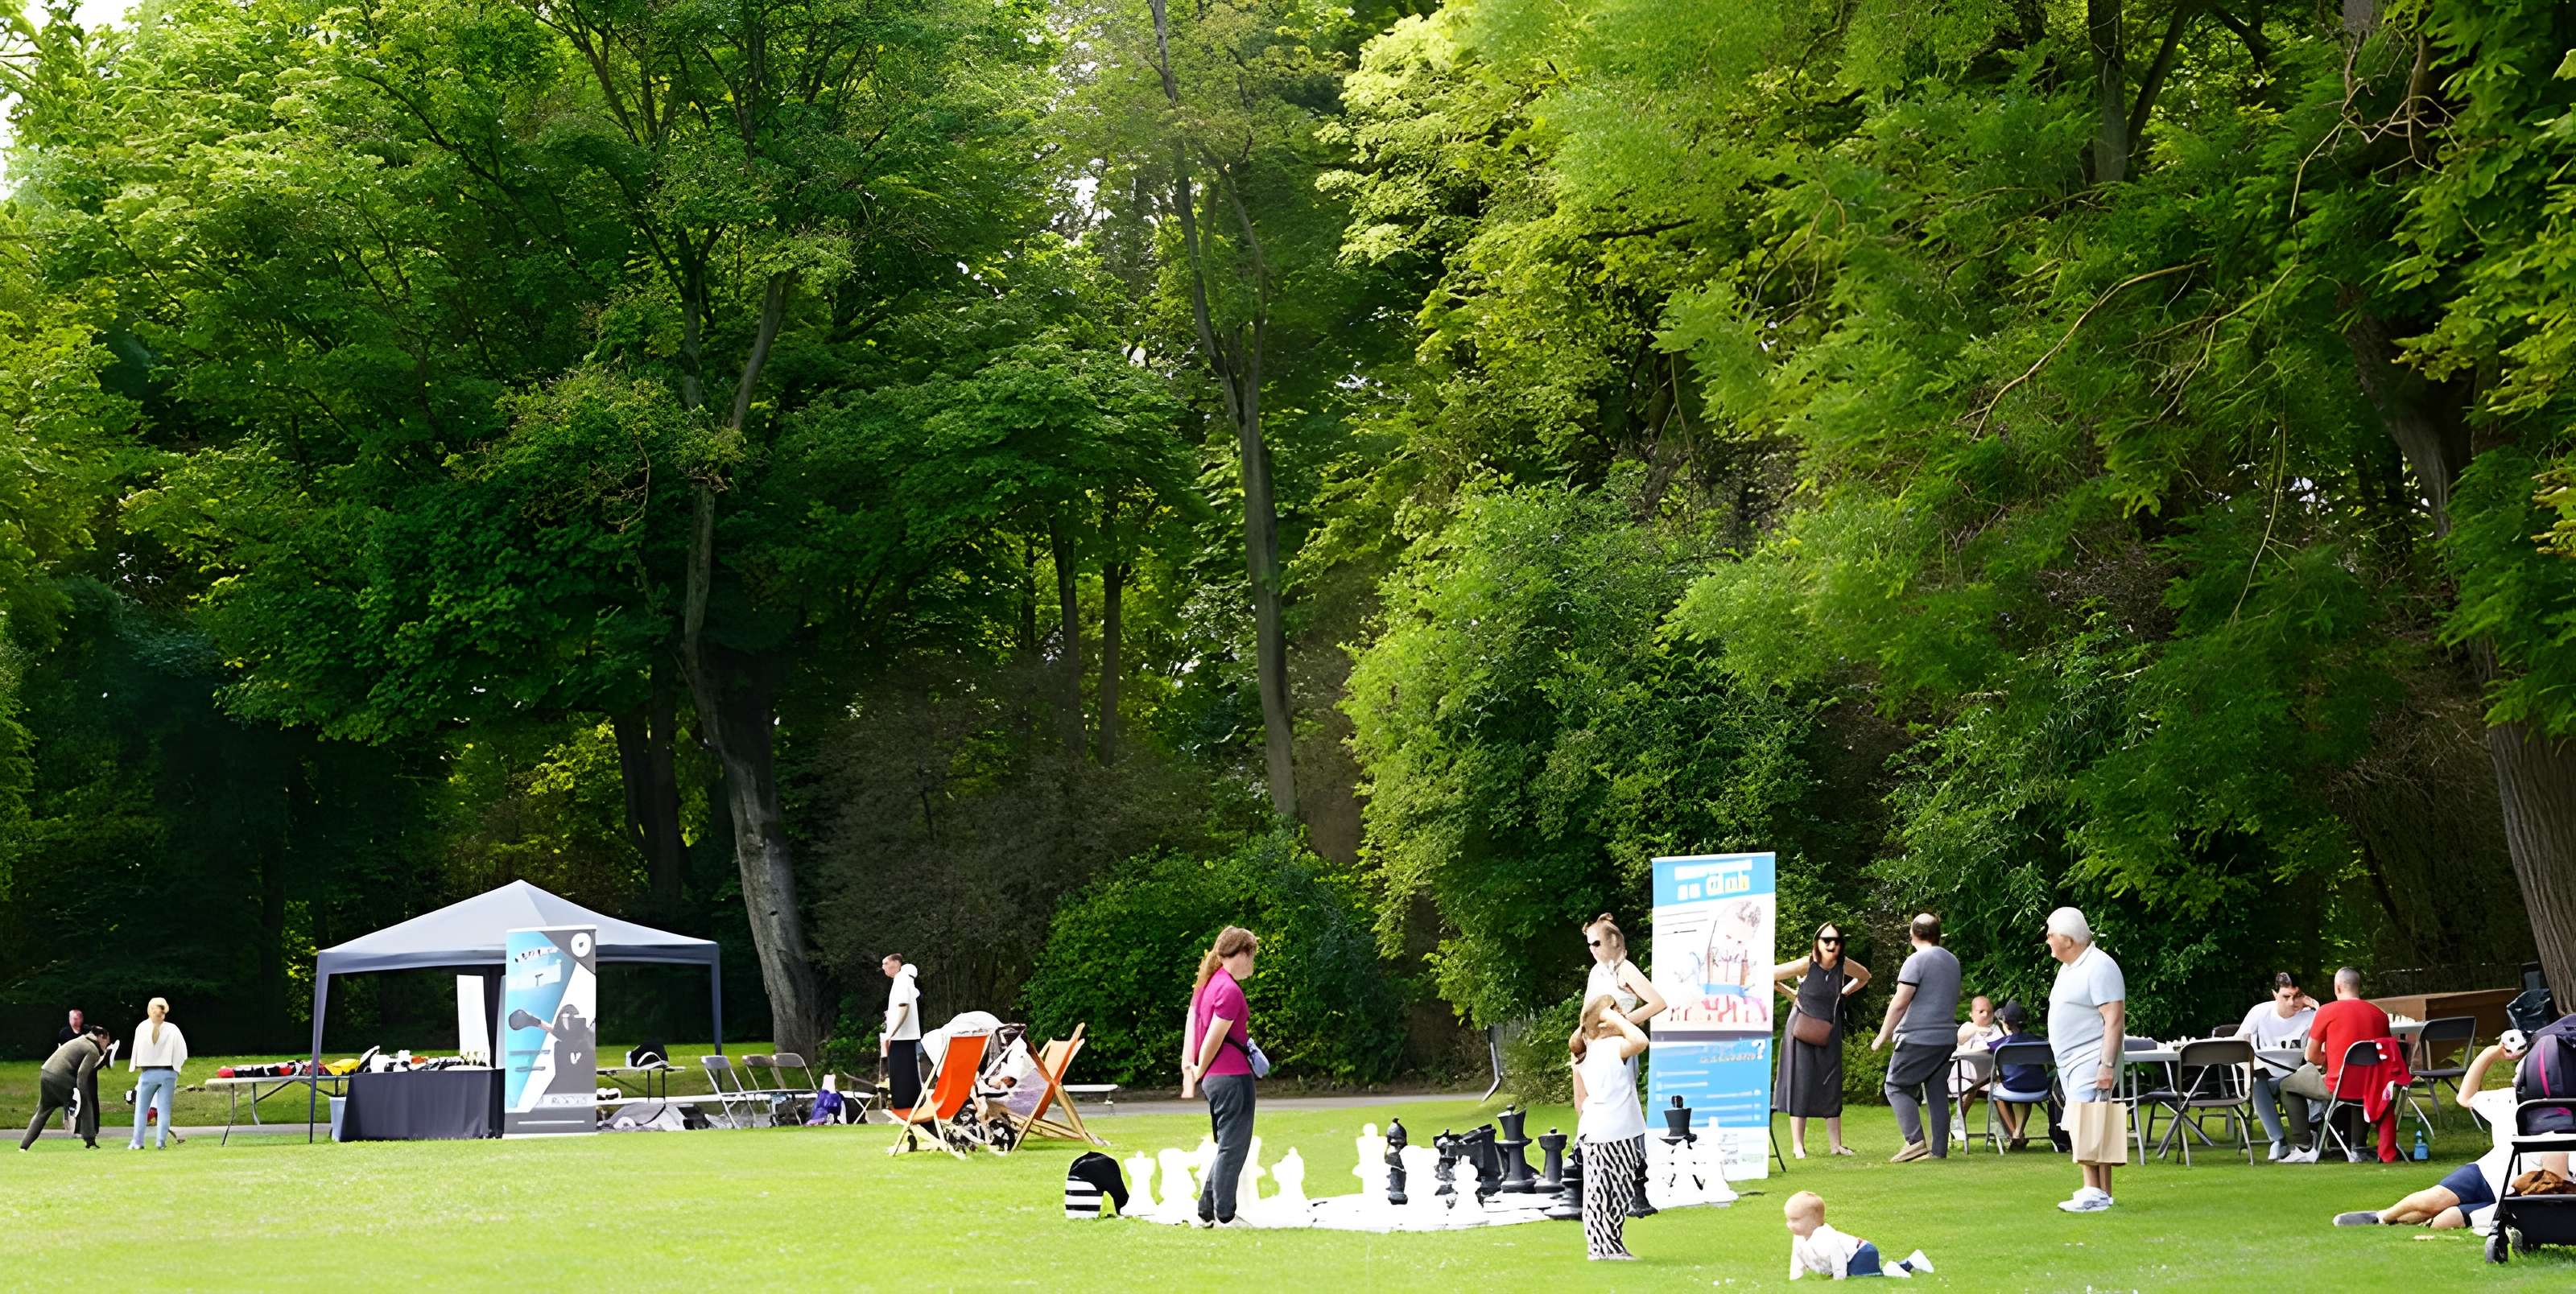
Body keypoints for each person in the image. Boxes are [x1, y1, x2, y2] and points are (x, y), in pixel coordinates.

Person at [2334, 1036, 2570, 1227]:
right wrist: (2491, 1054)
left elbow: (2559, 1180)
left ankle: (2400, 1220)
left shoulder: (2564, 1118)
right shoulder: (2509, 1099)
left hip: (2512, 1192)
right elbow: (2464, 1097)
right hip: (2485, 1174)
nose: (2515, 1078)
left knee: (2442, 1220)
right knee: (2433, 1201)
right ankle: (2382, 1216)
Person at [1583, 913, 1667, 1214]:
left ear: (1613, 942)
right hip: (1596, 1050)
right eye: (1589, 943)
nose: (1592, 948)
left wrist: (1623, 1024)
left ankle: (1637, 1186)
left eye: (1596, 942)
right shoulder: (1596, 973)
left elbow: (1658, 1003)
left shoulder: (1626, 970)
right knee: (1596, 1109)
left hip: (1620, 1048)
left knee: (1625, 1111)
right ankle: (1598, 1172)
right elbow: (1587, 1013)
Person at [2045, 906, 2125, 1213]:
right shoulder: (2072, 966)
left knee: (2083, 1122)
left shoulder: (2099, 966)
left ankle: (2092, 1191)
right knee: (2093, 1122)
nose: (2048, 939)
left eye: (2051, 934)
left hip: (2091, 1058)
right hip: (2072, 1060)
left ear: (2068, 938)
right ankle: (2101, 1192)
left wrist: (2105, 1065)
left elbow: (2114, 1018)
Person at [1182, 925, 1261, 1228]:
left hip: (1219, 1078)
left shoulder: (1209, 984)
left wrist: (1200, 1074)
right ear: (1240, 953)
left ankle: (1206, 1211)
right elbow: (1213, 1039)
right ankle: (1225, 1214)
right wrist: (1199, 1070)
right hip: (1231, 1077)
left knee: (1228, 1144)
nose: (1252, 964)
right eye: (1251, 956)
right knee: (1234, 1146)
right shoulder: (1228, 990)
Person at [1773, 922, 1871, 1158]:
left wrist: (1843, 994)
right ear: (1817, 942)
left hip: (1829, 1027)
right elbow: (1769, 976)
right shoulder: (1805, 964)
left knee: (1831, 1080)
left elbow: (1865, 977)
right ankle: (1798, 1145)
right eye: (1826, 939)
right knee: (1801, 1080)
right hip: (1802, 1027)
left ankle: (1836, 1145)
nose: (1831, 944)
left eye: (1836, 940)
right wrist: (1792, 994)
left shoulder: (1843, 964)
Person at [2279, 966, 2394, 1163]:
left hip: (2338, 1084)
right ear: (2359, 987)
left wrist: (2329, 1059)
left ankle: (2304, 1146)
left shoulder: (2327, 1011)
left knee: (2287, 1086)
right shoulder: (2379, 1014)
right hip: (2371, 1085)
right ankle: (2358, 1147)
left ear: (2337, 987)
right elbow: (2384, 1054)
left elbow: (2311, 1056)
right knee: (2361, 1082)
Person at [1872, 913, 1962, 1161]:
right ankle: (1938, 1151)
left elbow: (1901, 1002)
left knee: (1895, 1086)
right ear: (1938, 934)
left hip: (1918, 1038)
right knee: (1936, 1091)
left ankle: (1914, 1142)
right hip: (1946, 1038)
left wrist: (1883, 1035)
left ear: (1913, 934)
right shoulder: (1952, 961)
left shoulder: (1916, 961)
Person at [1570, 994, 1651, 1260]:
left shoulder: (1590, 1049)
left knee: (1615, 1192)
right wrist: (1612, 1016)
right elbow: (1641, 1041)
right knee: (1604, 1192)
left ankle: (1610, 1246)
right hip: (1610, 1130)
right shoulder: (1608, 1046)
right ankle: (1601, 1247)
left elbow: (1580, 1101)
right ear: (1603, 1021)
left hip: (1614, 1129)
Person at [2232, 971, 2319, 1160]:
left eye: (2297, 997)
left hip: (2296, 1077)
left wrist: (2316, 1007)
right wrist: (2249, 1066)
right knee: (2258, 1081)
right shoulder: (2260, 1012)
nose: (2291, 1003)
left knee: (2300, 1080)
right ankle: (2278, 1141)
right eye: (2286, 997)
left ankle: (2304, 1138)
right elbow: (2239, 1044)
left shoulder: (2310, 1016)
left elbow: (2326, 1037)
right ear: (2275, 995)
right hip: (2267, 1076)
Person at [1783, 1190, 1934, 1280]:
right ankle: (1913, 1260)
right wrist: (1795, 1277)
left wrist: (1839, 1279)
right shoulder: (1799, 1238)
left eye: (1795, 1220)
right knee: (1859, 1274)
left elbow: (1838, 1256)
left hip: (1862, 1252)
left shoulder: (1825, 1237)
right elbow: (1797, 1259)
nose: (1789, 1224)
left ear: (1813, 1221)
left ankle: (1896, 1267)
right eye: (1788, 1219)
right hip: (1854, 1256)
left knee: (1867, 1276)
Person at [21, 1025, 110, 1150]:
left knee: (42, 1112)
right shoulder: (93, 1050)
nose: (106, 1045)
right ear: (101, 1037)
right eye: (107, 1042)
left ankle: (24, 1146)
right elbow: (82, 1074)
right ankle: (90, 1141)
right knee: (86, 1102)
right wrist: (82, 1094)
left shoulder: (80, 1040)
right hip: (61, 1078)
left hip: (46, 1074)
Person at [1987, 1000, 2056, 1146]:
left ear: (2006, 1024)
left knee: (1997, 1089)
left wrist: (2006, 1033)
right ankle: (2018, 1132)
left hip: (2011, 1087)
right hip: (2039, 1087)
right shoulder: (2039, 1041)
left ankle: (2015, 1135)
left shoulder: (2001, 1043)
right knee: (2027, 1083)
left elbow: (1988, 1048)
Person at [126, 997, 188, 1151]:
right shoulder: (173, 1029)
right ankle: (160, 1141)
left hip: (148, 1073)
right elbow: (183, 1053)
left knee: (141, 1109)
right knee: (164, 1110)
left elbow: (136, 1051)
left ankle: (137, 1142)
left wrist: (134, 1066)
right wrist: (176, 1068)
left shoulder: (142, 1028)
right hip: (168, 1073)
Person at [1951, 995, 2004, 1136]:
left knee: (2000, 1089)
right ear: (1971, 1014)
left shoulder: (1996, 1030)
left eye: (1990, 1012)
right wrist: (1976, 1030)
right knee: (1969, 1090)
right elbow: (1960, 1039)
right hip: (1965, 1077)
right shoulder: (1967, 1027)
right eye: (1981, 1012)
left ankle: (2001, 1129)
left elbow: (2001, 1047)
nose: (1986, 1015)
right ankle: (1959, 1123)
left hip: (1989, 1078)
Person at [879, 954, 923, 1111]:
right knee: (907, 1072)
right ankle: (909, 1105)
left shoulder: (902, 979)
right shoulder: (905, 979)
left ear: (896, 964)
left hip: (902, 1037)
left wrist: (892, 1032)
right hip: (906, 1036)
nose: (883, 967)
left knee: (901, 1074)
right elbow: (914, 997)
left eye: (886, 963)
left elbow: (904, 1006)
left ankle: (904, 1106)